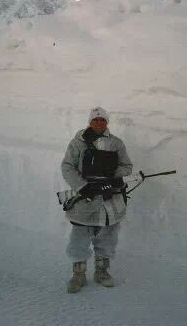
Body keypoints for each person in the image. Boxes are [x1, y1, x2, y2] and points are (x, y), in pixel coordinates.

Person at [61, 107, 133, 293]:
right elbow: (67, 166)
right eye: (96, 120)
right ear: (90, 122)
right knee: (80, 235)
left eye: (102, 120)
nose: (99, 123)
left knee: (108, 234)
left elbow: (127, 166)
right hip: (85, 195)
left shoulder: (116, 143)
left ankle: (102, 271)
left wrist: (110, 173)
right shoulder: (78, 142)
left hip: (111, 197)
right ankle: (78, 274)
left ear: (107, 122)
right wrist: (83, 187)